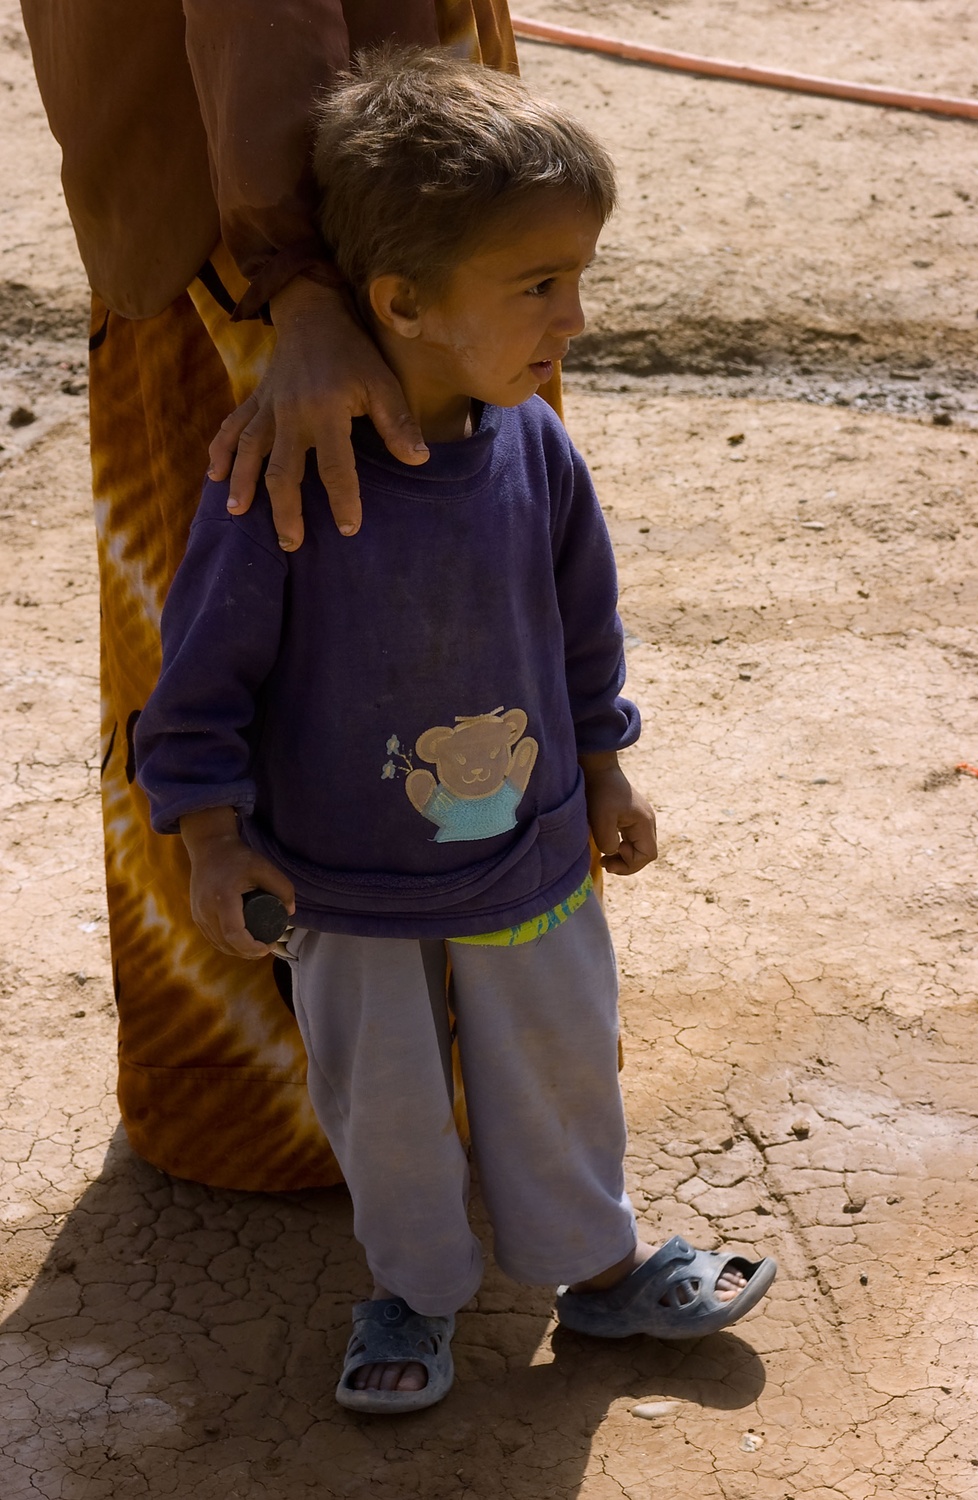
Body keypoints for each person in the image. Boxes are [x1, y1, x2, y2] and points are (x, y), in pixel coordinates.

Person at [134, 50, 777, 1414]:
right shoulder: (278, 477)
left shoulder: (536, 449)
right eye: (539, 285)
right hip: (339, 882)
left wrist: (606, 764)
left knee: (557, 1066)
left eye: (578, 276)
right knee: (388, 1109)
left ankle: (597, 1270)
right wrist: (206, 840)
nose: (577, 318)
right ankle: (413, 1292)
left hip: (531, 858)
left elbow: (583, 628)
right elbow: (197, 685)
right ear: (404, 303)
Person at [21, 0, 523, 1190]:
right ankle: (384, 1121)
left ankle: (278, 1102)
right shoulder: (310, 268)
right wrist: (294, 281)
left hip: (256, 197)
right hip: (312, 238)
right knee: (390, 656)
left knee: (257, 650)